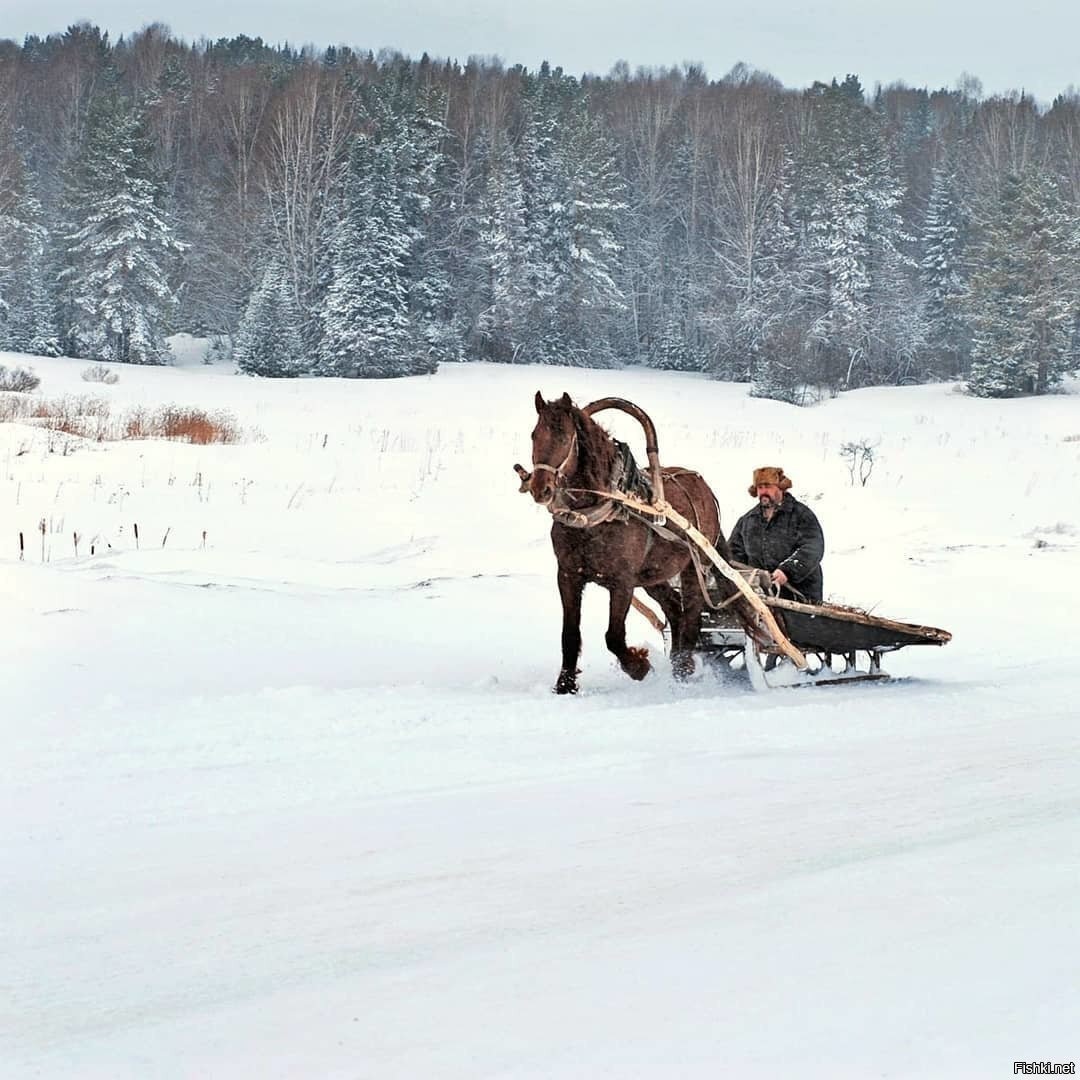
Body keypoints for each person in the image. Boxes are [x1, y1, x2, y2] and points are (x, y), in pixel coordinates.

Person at [728, 466, 824, 603]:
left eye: (767, 486)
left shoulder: (801, 515)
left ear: (780, 487)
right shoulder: (748, 521)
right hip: (761, 598)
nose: (763, 492)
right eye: (760, 487)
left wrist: (787, 571)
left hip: (801, 595)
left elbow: (812, 548)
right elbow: (734, 553)